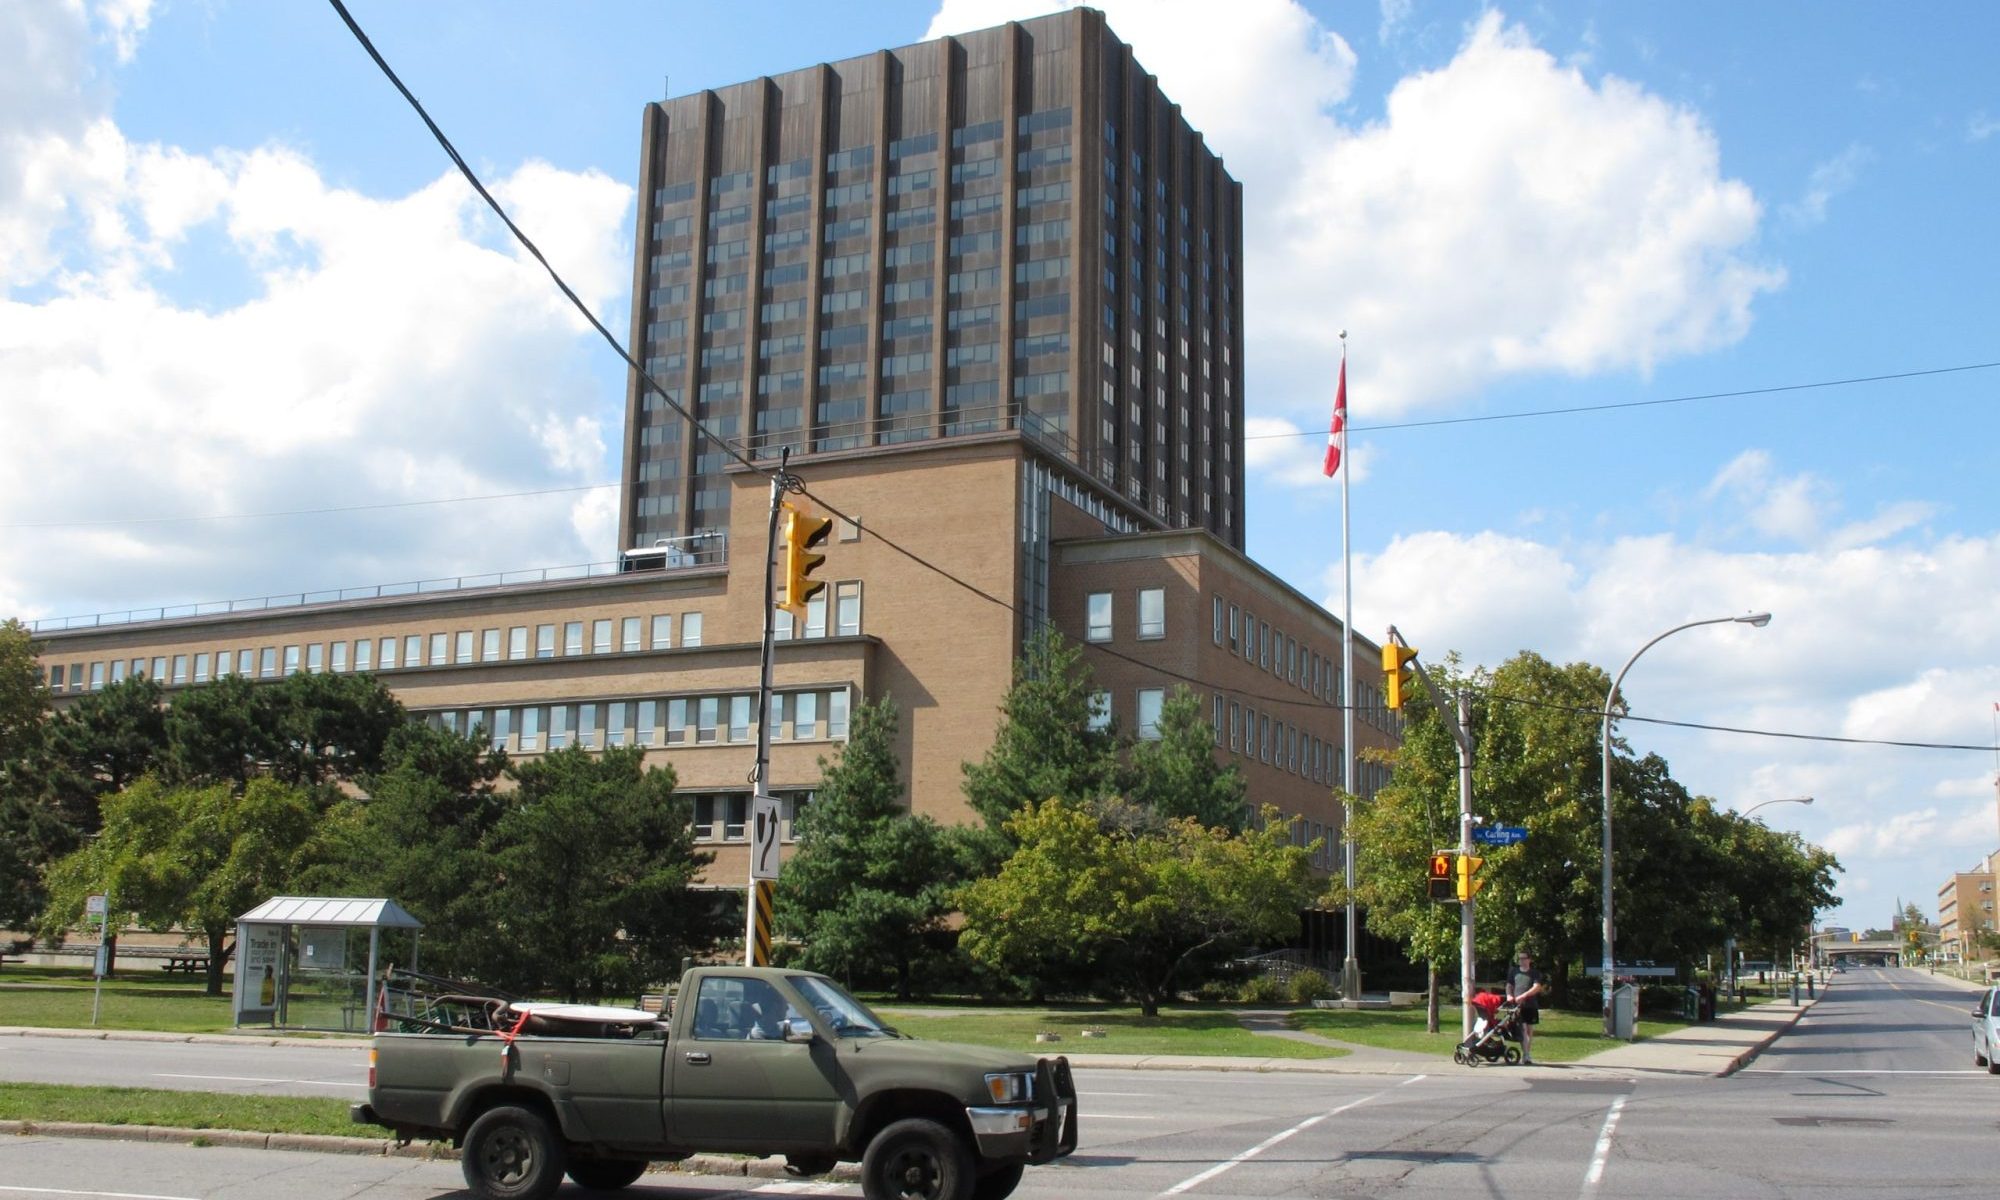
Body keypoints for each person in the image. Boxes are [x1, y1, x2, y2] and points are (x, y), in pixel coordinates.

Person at [1507, 950, 1546, 1064]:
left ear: (1529, 959)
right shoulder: (1514, 972)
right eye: (1520, 958)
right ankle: (1526, 1054)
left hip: (1531, 1005)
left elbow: (1537, 987)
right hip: (1517, 1006)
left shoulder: (1534, 973)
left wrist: (1524, 995)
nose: (1522, 961)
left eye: (1524, 958)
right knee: (1522, 1029)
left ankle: (1527, 1054)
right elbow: (1509, 985)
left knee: (1529, 1030)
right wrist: (1509, 995)